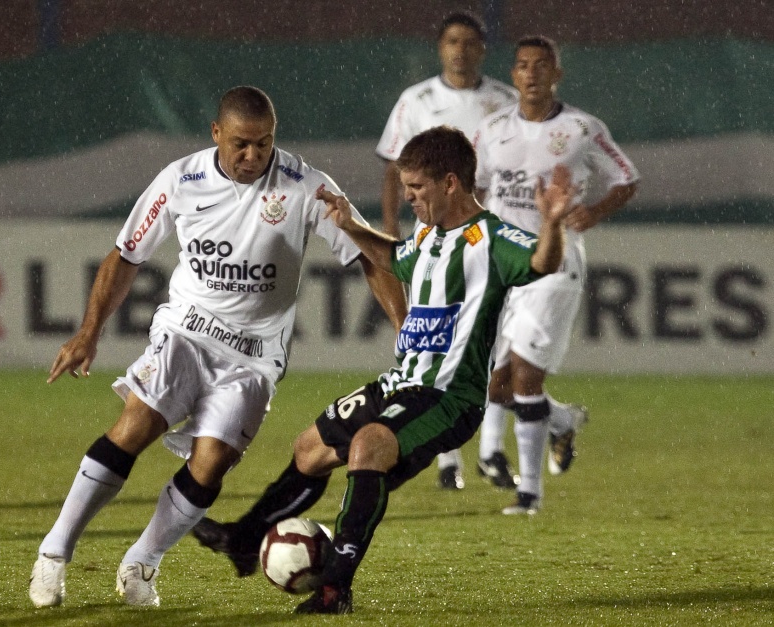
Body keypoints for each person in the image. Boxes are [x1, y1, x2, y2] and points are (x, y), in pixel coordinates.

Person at [27, 85, 407, 609]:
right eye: (241, 145)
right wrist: (89, 332)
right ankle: (53, 553)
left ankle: (141, 562)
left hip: (255, 356)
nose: (253, 156)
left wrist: (406, 328)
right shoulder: (180, 180)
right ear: (216, 135)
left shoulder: (306, 186)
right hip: (187, 329)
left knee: (212, 462)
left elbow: (368, 255)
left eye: (264, 144)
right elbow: (125, 255)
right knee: (135, 426)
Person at [193, 126, 574, 614]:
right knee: (309, 448)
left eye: (416, 188)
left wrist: (554, 223)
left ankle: (335, 589)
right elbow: (395, 258)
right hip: (403, 382)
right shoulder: (429, 234)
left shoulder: (492, 238)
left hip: (448, 398)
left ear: (451, 183)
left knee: (368, 445)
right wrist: (350, 226)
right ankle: (245, 540)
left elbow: (542, 262)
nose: (408, 197)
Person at [472, 36, 640, 515]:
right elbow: (479, 189)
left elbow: (627, 176)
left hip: (555, 264)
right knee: (496, 385)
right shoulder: (492, 129)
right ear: (514, 73)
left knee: (524, 377)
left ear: (556, 75)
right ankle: (561, 420)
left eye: (541, 66)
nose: (531, 74)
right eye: (522, 66)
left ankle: (530, 495)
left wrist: (595, 211)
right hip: (503, 267)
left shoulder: (582, 128)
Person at [376, 10, 518, 491]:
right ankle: (448, 460)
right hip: (434, 239)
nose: (461, 49)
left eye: (470, 41)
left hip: (484, 239)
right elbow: (397, 168)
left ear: (482, 49)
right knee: (435, 340)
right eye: (452, 40)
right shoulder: (415, 101)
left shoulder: (505, 101)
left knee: (493, 344)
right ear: (441, 47)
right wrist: (393, 224)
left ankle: (493, 448)